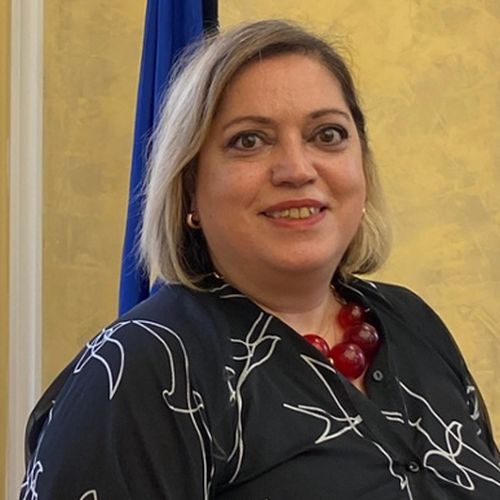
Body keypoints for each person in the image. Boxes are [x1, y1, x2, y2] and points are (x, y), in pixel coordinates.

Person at [20, 19, 499, 500]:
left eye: (327, 134)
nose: (297, 169)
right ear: (190, 187)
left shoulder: (413, 323)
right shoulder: (142, 369)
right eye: (249, 140)